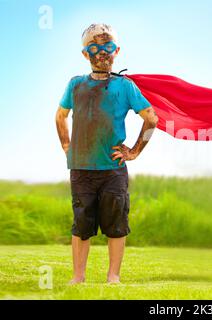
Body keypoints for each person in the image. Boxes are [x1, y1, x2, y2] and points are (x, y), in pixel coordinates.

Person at [55, 23, 158, 284]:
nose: (102, 52)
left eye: (108, 47)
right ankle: (78, 277)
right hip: (81, 169)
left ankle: (113, 276)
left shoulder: (125, 86)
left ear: (117, 50)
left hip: (113, 171)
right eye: (94, 47)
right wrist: (67, 147)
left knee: (116, 224)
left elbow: (152, 119)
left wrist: (134, 151)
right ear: (85, 54)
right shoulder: (76, 84)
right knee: (81, 224)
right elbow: (60, 116)